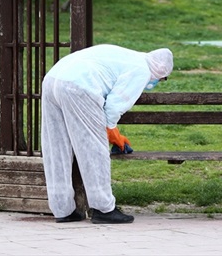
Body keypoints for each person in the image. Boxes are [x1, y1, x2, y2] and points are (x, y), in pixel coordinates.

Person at [41, 43, 174, 224]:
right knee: (94, 148)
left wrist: (114, 134)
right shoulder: (142, 70)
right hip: (80, 85)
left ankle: (62, 210)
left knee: (56, 146)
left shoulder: (130, 55)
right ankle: (104, 209)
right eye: (163, 80)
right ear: (161, 73)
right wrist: (114, 135)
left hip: (53, 79)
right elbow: (113, 108)